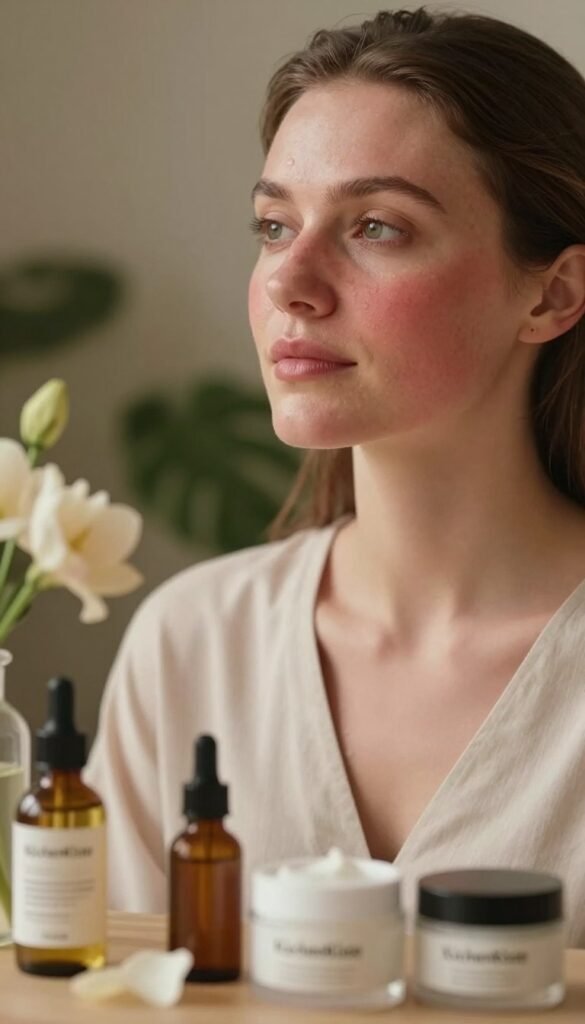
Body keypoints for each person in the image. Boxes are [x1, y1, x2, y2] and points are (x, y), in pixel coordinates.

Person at [84, 7, 585, 943]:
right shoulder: (192, 645)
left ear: (550, 293)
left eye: (376, 228)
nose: (288, 280)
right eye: (274, 225)